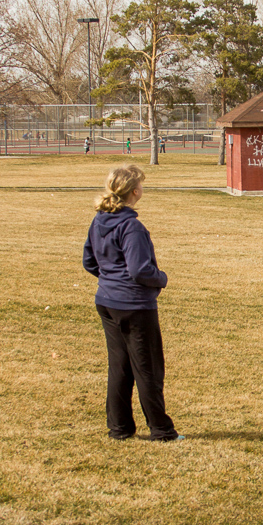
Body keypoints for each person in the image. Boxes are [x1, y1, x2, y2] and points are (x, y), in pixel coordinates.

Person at [83, 164, 182, 442]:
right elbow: (140, 270)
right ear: (135, 191)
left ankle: (120, 428)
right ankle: (162, 430)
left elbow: (89, 261)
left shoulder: (99, 220)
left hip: (107, 302)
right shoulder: (131, 226)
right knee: (148, 368)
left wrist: (110, 281)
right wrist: (161, 278)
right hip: (134, 306)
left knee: (120, 366)